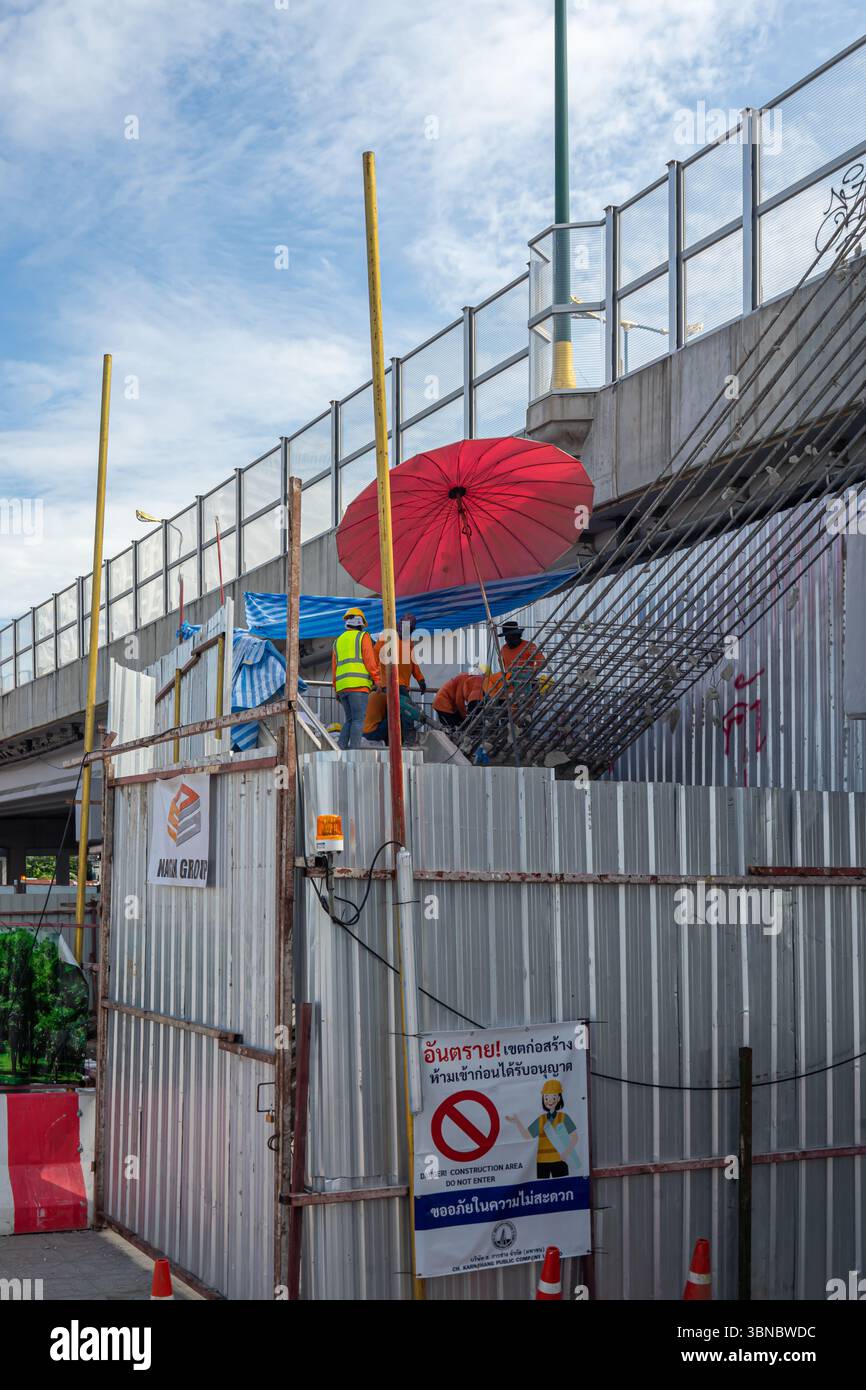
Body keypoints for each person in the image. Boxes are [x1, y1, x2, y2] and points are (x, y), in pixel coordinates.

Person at [505, 1078, 579, 1179]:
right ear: (543, 1099)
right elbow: (527, 1136)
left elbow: (575, 1137)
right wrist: (517, 1122)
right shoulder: (541, 1119)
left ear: (558, 1099)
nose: (549, 1101)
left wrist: (566, 1152)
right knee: (543, 1189)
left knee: (562, 1188)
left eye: (553, 1097)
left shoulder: (564, 1117)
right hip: (542, 1162)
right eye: (546, 1098)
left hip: (560, 1161)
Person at [332, 607, 381, 750]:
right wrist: (377, 680)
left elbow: (335, 667)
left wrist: (336, 688)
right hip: (358, 686)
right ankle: (354, 750)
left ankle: (340, 748)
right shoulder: (362, 637)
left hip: (342, 688)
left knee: (350, 719)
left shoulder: (338, 641)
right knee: (358, 719)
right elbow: (370, 660)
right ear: (360, 622)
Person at [373, 613, 426, 696]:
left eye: (409, 628)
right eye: (404, 626)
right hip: (388, 684)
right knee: (398, 707)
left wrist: (421, 680)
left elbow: (413, 663)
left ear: (412, 629)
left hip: (402, 685)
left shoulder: (408, 642)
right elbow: (374, 658)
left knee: (401, 707)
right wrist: (376, 679)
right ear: (399, 625)